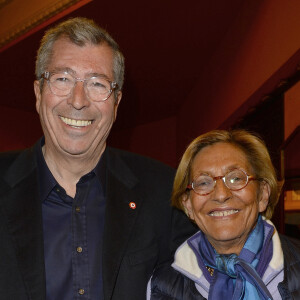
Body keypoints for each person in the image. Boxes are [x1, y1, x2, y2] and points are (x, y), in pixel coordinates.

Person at [0, 17, 195, 300]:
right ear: (38, 93)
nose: (78, 100)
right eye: (63, 79)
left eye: (97, 83)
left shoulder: (165, 193)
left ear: (116, 102)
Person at [148, 130, 300, 299]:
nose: (221, 195)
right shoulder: (160, 286)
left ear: (262, 195)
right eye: (204, 182)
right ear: (188, 205)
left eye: (236, 178)